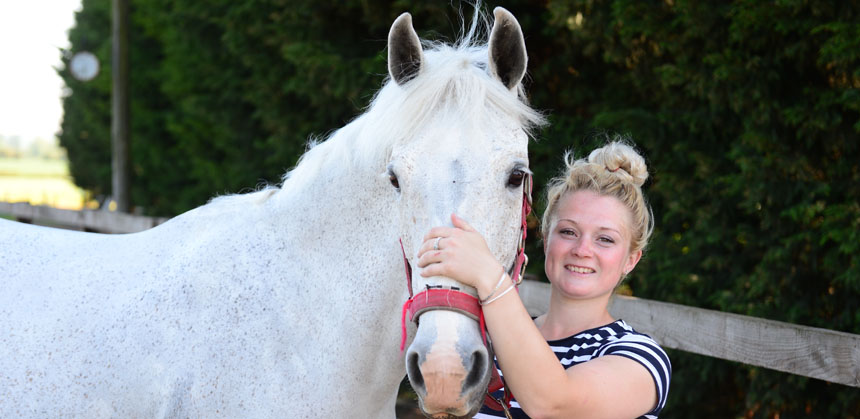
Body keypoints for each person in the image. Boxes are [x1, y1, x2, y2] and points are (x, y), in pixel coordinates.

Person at [417, 140, 671, 418]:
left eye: (605, 239)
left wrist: (491, 277)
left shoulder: (643, 358)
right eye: (568, 232)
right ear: (546, 238)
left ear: (631, 260)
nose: (582, 250)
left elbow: (554, 406)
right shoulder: (487, 345)